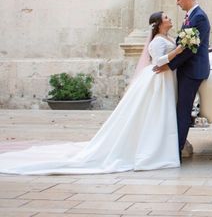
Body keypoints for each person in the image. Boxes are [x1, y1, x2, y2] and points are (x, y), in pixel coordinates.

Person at [0, 11, 183, 174]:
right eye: (165, 17)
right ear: (159, 23)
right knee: (154, 114)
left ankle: (161, 147)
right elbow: (158, 62)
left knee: (159, 114)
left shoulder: (167, 37)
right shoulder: (158, 40)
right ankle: (152, 151)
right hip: (157, 80)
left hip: (165, 80)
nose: (169, 18)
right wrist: (178, 51)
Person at [154, 0, 210, 160]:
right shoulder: (191, 16)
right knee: (181, 109)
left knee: (183, 110)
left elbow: (189, 50)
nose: (177, 3)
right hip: (187, 70)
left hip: (192, 71)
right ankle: (177, 145)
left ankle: (176, 150)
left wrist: (169, 65)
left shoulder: (198, 17)